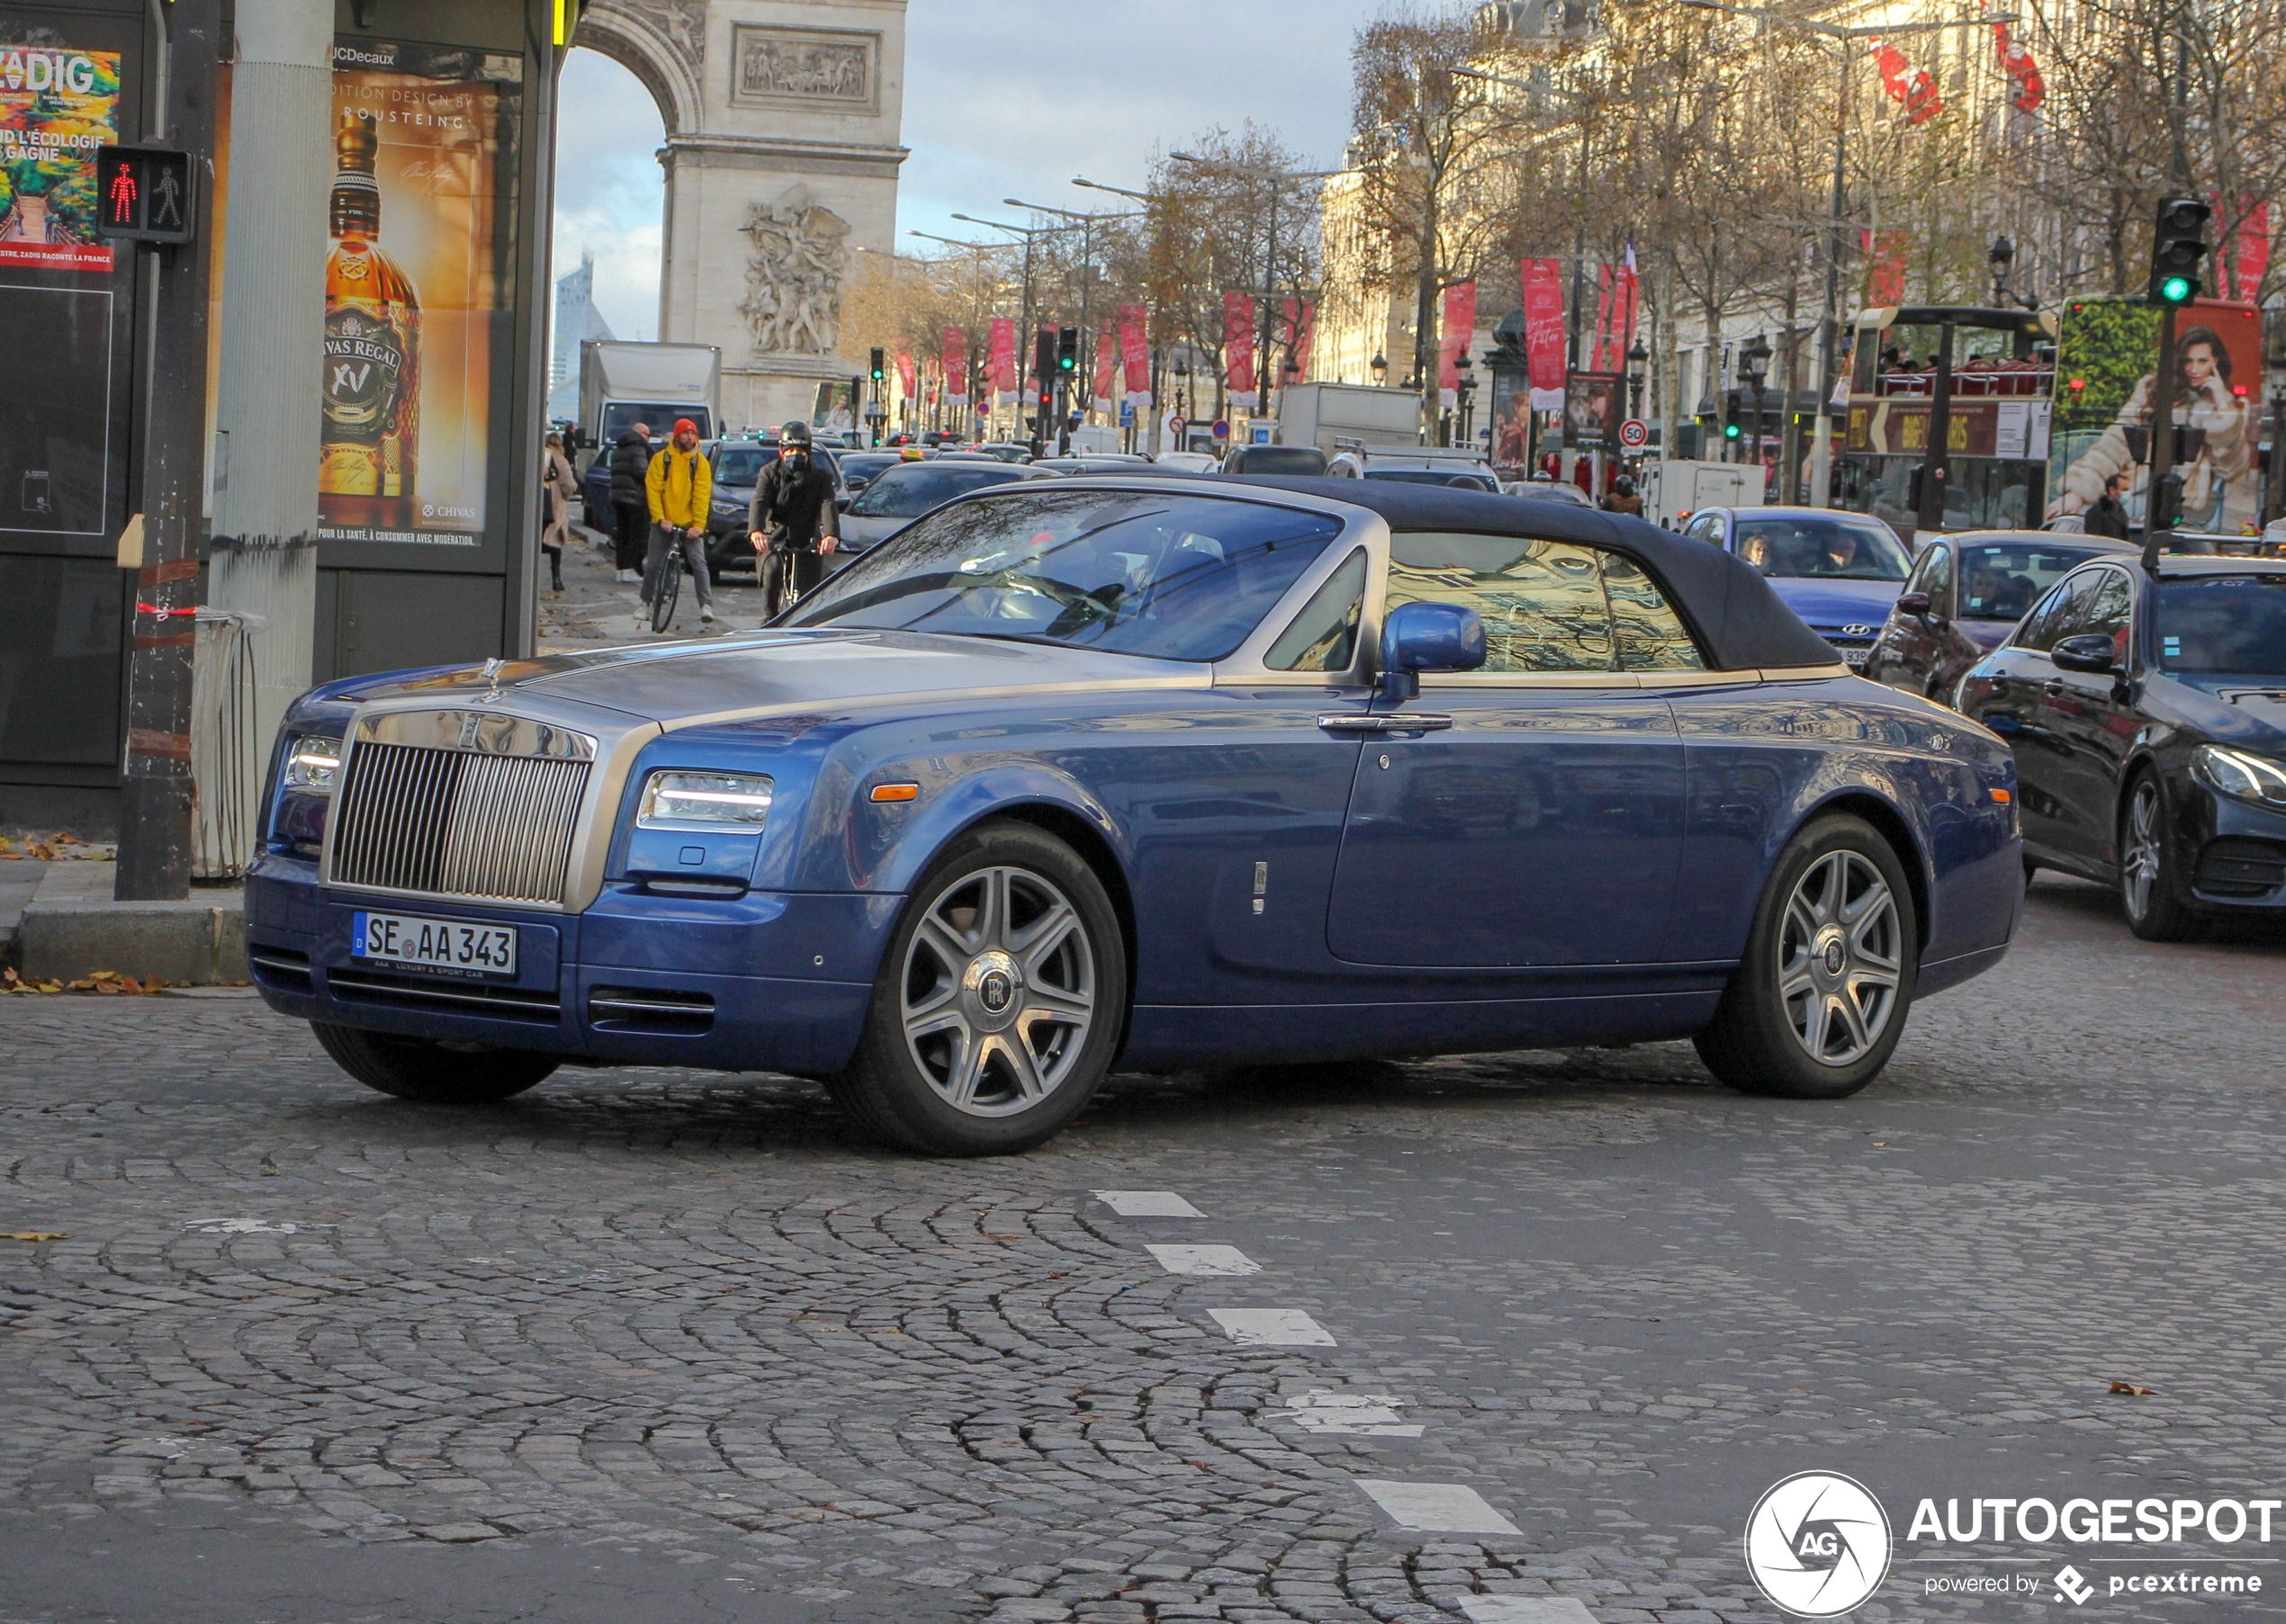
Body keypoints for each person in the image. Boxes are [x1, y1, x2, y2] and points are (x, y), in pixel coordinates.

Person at [750, 419, 841, 619]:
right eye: (790, 451)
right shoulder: (769, 473)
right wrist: (756, 531)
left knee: (811, 593)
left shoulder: (821, 476)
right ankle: (770, 618)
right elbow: (760, 501)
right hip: (776, 538)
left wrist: (831, 534)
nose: (795, 456)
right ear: (782, 452)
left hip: (807, 538)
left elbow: (828, 503)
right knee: (772, 569)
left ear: (808, 452)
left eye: (800, 451)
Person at [638, 418, 714, 632]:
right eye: (685, 434)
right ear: (677, 436)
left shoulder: (700, 463)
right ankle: (645, 602)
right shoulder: (661, 460)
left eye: (693, 434)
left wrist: (698, 525)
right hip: (664, 521)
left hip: (690, 523)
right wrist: (660, 517)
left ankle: (706, 605)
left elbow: (701, 495)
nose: (689, 438)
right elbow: (653, 490)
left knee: (699, 563)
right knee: (653, 564)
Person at [608, 421, 652, 584]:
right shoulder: (638, 448)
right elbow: (642, 472)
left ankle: (621, 568)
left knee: (623, 533)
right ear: (641, 434)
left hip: (618, 496)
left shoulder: (620, 448)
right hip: (635, 497)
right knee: (636, 534)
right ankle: (630, 569)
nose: (648, 438)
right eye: (647, 434)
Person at [540, 432, 577, 594]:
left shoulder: (541, 455)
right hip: (555, 505)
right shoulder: (561, 460)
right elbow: (569, 484)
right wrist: (566, 495)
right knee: (555, 543)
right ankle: (557, 578)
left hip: (542, 502)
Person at [2083, 471, 2133, 539]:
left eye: (2128, 490)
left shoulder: (2122, 512)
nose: (2128, 493)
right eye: (2124, 489)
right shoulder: (2097, 512)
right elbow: (2093, 542)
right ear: (2112, 490)